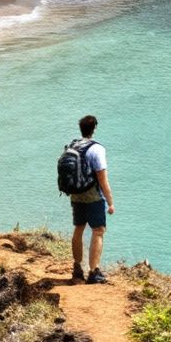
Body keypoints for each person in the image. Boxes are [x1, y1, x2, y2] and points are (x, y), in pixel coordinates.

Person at [62, 114, 115, 283]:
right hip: (92, 195)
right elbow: (102, 178)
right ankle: (94, 272)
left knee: (79, 228)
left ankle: (77, 269)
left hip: (76, 193)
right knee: (98, 230)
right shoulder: (97, 149)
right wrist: (110, 202)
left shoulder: (73, 145)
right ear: (94, 129)